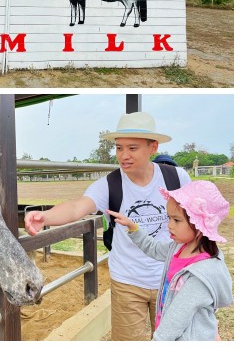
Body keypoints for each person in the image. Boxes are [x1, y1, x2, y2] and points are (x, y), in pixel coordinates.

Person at [25, 111, 192, 341]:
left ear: (153, 147)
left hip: (171, 277)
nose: (124, 155)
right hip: (127, 280)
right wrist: (45, 217)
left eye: (132, 148)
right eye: (119, 148)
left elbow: (196, 221)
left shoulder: (177, 178)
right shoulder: (109, 184)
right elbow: (77, 207)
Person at [108, 180, 232, 340]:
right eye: (169, 218)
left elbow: (176, 320)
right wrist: (134, 228)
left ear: (199, 225)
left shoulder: (199, 275)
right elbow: (154, 249)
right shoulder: (178, 248)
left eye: (176, 220)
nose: (169, 225)